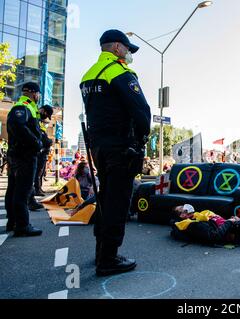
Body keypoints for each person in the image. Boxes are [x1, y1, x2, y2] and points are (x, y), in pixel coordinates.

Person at [80, 29, 151, 276]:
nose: (130, 54)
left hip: (99, 148)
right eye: (128, 49)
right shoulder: (120, 73)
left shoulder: (88, 75)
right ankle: (109, 258)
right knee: (118, 203)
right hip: (122, 148)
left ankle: (101, 250)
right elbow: (142, 111)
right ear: (118, 48)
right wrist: (141, 141)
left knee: (105, 199)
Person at [4, 82, 43, 236]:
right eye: (38, 94)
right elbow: (19, 126)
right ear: (34, 93)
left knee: (13, 190)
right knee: (22, 191)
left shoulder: (23, 106)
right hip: (24, 156)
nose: (38, 96)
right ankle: (22, 225)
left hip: (17, 155)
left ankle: (12, 222)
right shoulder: (24, 106)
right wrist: (36, 142)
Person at [33, 105, 54, 197]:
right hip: (39, 152)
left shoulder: (40, 121)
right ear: (44, 111)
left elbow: (42, 135)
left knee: (40, 172)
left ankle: (38, 188)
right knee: (37, 172)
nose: (46, 117)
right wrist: (49, 141)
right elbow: (40, 136)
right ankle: (36, 190)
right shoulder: (35, 118)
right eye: (46, 115)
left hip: (42, 152)